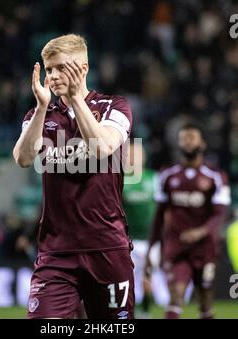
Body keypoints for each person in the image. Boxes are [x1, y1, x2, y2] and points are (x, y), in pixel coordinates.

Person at [13, 34, 135, 319]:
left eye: (60, 68)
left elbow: (102, 146)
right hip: (57, 253)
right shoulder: (40, 114)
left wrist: (76, 98)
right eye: (49, 69)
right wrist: (42, 107)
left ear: (83, 68)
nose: (53, 76)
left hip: (107, 247)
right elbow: (23, 158)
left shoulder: (113, 107)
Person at [144, 123, 231, 319]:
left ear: (203, 143)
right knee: (176, 297)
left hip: (205, 247)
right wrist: (151, 248)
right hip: (176, 246)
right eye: (184, 138)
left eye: (192, 137)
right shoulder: (168, 175)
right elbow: (159, 215)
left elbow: (220, 214)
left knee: (205, 299)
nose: (187, 142)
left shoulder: (216, 176)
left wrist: (201, 231)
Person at [123, 141, 166, 318]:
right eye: (131, 154)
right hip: (127, 239)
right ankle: (126, 312)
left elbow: (163, 207)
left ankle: (145, 311)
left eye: (138, 154)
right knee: (127, 279)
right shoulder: (121, 178)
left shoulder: (154, 178)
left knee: (147, 277)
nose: (135, 158)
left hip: (150, 239)